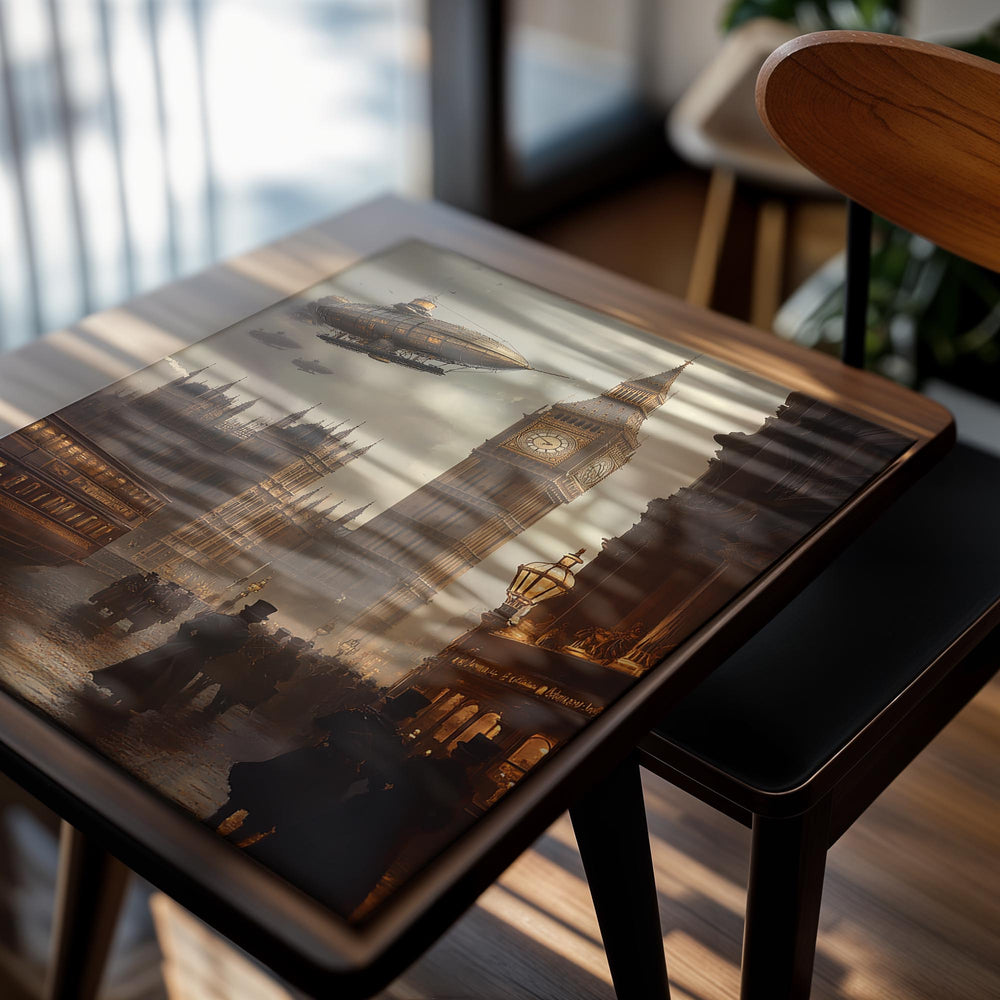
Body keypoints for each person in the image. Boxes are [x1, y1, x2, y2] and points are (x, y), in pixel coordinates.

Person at [90, 600, 277, 713]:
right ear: (254, 620)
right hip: (196, 659)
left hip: (180, 647)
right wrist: (207, 655)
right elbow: (226, 651)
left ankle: (117, 693)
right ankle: (132, 703)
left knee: (143, 668)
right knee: (166, 682)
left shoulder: (219, 618)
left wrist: (182, 642)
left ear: (244, 611)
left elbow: (187, 625)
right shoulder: (243, 635)